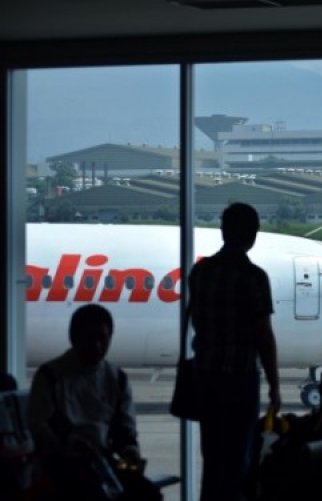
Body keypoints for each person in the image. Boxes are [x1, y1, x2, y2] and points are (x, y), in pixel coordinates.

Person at [189, 202, 281, 501]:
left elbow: (197, 321)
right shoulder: (253, 277)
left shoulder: (200, 272)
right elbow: (263, 337)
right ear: (253, 235)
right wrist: (275, 387)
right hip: (239, 380)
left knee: (213, 460)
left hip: (205, 377)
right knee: (239, 461)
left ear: (223, 231)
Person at [27, 304, 160, 500]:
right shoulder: (50, 377)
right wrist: (69, 447)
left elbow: (125, 431)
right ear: (74, 338)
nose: (97, 346)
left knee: (148, 493)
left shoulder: (117, 378)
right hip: (63, 465)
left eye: (103, 339)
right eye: (90, 338)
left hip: (103, 463)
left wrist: (130, 453)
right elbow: (39, 430)